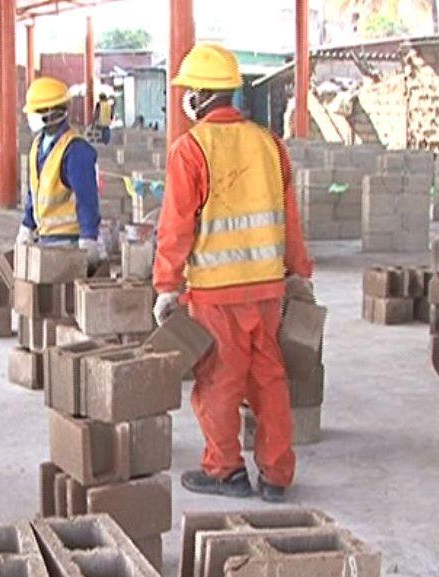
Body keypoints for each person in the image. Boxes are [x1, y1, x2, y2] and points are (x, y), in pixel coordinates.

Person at [151, 43, 313, 502]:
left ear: (201, 96)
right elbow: (289, 216)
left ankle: (225, 471)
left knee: (219, 382)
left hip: (217, 293)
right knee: (268, 379)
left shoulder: (192, 149)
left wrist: (167, 285)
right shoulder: (269, 144)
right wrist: (298, 270)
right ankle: (278, 475)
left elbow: (176, 226)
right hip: (266, 290)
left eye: (187, 91)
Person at [15, 77, 104, 267]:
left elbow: (87, 198)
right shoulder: (37, 146)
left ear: (51, 113)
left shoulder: (75, 150)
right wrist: (27, 225)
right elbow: (35, 192)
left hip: (70, 243)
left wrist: (89, 238)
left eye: (35, 112)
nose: (30, 117)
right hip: (45, 239)